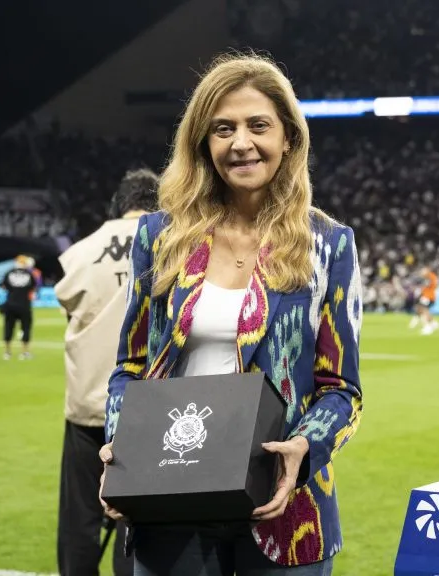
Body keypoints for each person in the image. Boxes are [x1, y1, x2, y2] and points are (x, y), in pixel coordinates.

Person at [98, 52, 364, 576]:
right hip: (168, 501)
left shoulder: (329, 246)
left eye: (257, 125)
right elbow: (129, 369)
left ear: (288, 136)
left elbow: (343, 390)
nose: (241, 142)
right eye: (223, 129)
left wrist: (303, 449)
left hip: (285, 509)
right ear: (203, 144)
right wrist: (118, 444)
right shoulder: (160, 237)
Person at [55, 167, 158, 576]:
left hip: (88, 406)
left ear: (118, 202)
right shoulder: (170, 244)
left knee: (79, 520)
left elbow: (67, 302)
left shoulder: (80, 252)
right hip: (146, 408)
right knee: (137, 519)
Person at [0, 254, 37, 360]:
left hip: (10, 304)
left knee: (8, 328)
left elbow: (4, 287)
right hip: (24, 305)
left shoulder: (9, 273)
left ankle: (7, 352)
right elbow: (33, 287)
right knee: (25, 328)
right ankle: (24, 353)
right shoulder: (29, 274)